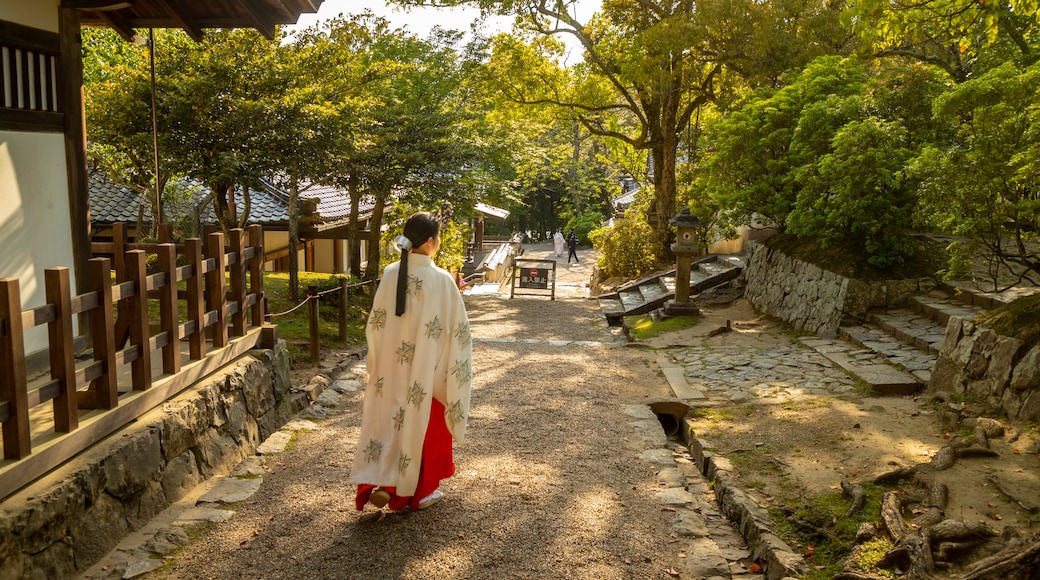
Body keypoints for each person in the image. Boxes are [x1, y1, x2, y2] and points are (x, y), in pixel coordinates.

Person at [351, 212, 473, 512]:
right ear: (431, 242)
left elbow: (375, 325)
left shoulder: (392, 273)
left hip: (390, 372)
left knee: (385, 424)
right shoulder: (442, 280)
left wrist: (378, 363)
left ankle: (383, 484)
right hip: (426, 374)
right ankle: (420, 492)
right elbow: (458, 333)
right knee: (426, 429)